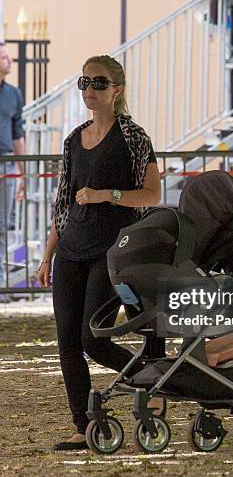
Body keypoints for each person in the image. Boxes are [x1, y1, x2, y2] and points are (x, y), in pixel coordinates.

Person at [38, 55, 161, 450]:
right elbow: (63, 203)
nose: (90, 89)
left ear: (117, 89)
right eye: (84, 82)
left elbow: (153, 194)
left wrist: (108, 195)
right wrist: (47, 255)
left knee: (94, 337)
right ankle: (85, 424)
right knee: (67, 342)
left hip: (112, 252)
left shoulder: (133, 137)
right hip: (71, 249)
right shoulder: (74, 139)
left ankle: (154, 374)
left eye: (99, 82)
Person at [0, 43, 25, 303]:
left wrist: (22, 174)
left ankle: (0, 282)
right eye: (5, 57)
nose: (9, 61)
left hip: (5, 164)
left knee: (2, 225)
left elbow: (18, 134)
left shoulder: (14, 94)